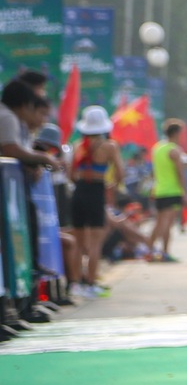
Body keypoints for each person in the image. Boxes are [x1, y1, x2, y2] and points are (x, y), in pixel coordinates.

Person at [67, 107, 117, 294]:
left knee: (79, 242)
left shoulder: (78, 146)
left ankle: (74, 284)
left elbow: (71, 174)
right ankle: (90, 284)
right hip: (96, 191)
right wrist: (110, 185)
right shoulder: (109, 146)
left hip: (79, 192)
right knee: (96, 242)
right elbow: (120, 173)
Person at [148, 121, 187, 263]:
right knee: (167, 224)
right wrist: (184, 192)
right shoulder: (175, 150)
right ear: (176, 133)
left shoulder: (157, 148)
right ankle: (165, 252)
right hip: (172, 191)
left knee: (159, 223)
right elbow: (180, 173)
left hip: (159, 190)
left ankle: (149, 251)